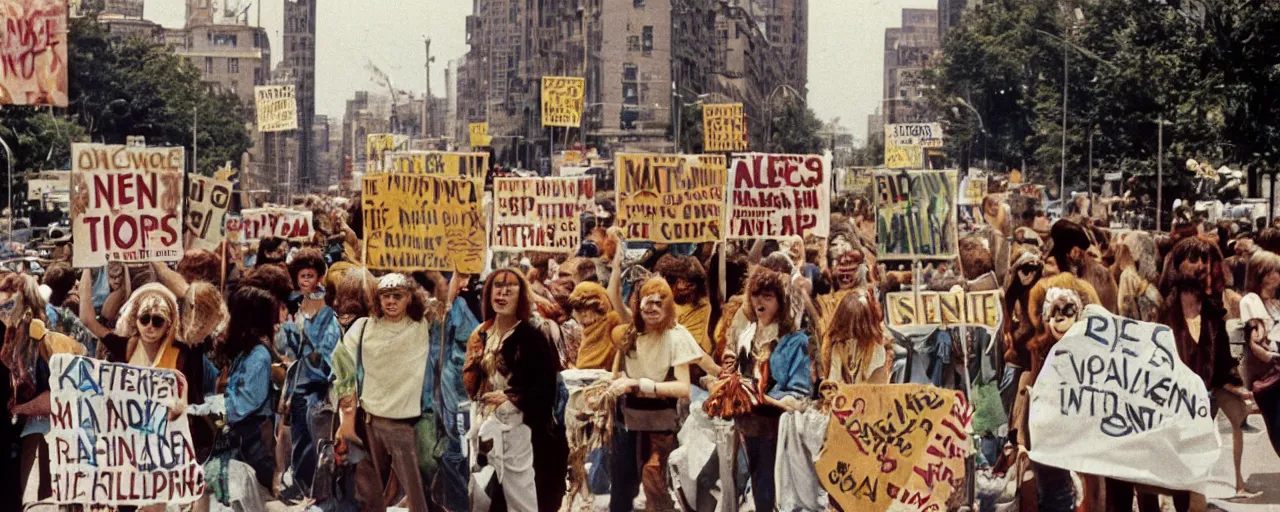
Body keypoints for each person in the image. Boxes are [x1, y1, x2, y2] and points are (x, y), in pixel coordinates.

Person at [463, 269, 568, 512]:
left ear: (520, 296)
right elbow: (472, 383)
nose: (503, 292)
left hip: (522, 430)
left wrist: (511, 399)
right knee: (484, 495)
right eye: (498, 286)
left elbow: (545, 387)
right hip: (486, 425)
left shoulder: (532, 336)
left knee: (521, 499)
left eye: (511, 287)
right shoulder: (481, 334)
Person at [332, 273, 436, 512]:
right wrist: (347, 414)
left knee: (416, 492)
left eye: (397, 296)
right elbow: (342, 365)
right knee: (369, 491)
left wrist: (442, 277)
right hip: (368, 422)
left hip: (404, 424)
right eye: (385, 296)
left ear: (409, 298)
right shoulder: (363, 326)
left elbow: (446, 307)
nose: (391, 301)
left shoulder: (423, 325)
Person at [1156, 236, 1246, 510]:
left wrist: (1232, 384)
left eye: (1205, 260)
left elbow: (1222, 361)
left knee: (1193, 476)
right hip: (1166, 408)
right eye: (1193, 259)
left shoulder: (1213, 313)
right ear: (1177, 264)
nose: (1201, 266)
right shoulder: (1160, 310)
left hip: (1202, 407)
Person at [606, 275, 701, 512]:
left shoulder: (676, 336)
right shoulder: (631, 333)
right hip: (628, 418)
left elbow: (683, 387)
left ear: (668, 306)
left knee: (656, 484)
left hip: (661, 423)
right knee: (622, 483)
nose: (652, 309)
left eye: (659, 303)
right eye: (648, 302)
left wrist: (642, 384)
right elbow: (617, 374)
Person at [723, 265, 812, 512]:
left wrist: (769, 398)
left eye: (768, 296)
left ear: (780, 302)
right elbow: (738, 373)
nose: (760, 301)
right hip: (747, 422)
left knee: (775, 485)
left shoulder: (795, 341)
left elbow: (800, 392)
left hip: (778, 426)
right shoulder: (746, 335)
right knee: (751, 479)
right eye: (755, 295)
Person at [278, 248, 343, 499]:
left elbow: (327, 350)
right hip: (299, 383)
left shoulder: (326, 310)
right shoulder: (301, 305)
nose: (306, 281)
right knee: (300, 438)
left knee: (319, 441)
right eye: (302, 276)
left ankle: (321, 492)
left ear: (318, 278)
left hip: (318, 385)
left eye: (310, 276)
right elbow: (293, 346)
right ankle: (301, 485)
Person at [220, 285, 282, 494]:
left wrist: (211, 408)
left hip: (253, 443)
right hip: (244, 440)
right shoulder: (247, 352)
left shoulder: (258, 356)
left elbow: (244, 403)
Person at [1245, 317, 1280, 458]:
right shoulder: (1253, 346)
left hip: (1269, 389)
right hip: (1266, 391)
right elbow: (1268, 357)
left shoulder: (1261, 344)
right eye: (1257, 329)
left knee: (1274, 425)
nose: (1261, 332)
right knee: (1275, 425)